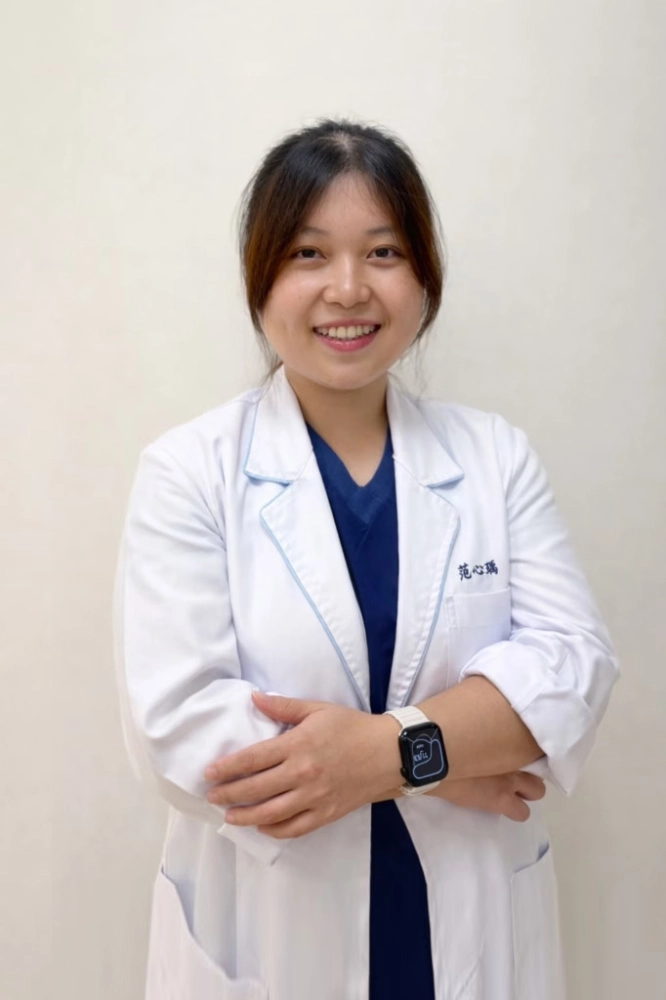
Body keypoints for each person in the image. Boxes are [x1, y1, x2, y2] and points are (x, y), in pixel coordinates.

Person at [113, 118, 620, 1000]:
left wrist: (386, 757)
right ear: (261, 278)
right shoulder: (188, 472)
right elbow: (182, 732)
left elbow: (571, 671)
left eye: (383, 252)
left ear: (424, 277)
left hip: (467, 916)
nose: (347, 289)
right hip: (275, 929)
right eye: (308, 254)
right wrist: (449, 757)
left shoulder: (495, 458)